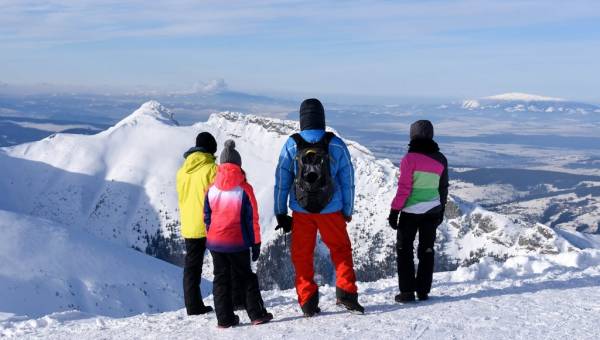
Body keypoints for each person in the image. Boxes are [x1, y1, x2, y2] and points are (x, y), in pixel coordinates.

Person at [274, 98, 364, 316]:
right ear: (322, 119)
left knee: (302, 255)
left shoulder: (291, 144)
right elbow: (347, 180)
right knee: (341, 250)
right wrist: (348, 210)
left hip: (301, 211)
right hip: (331, 210)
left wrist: (280, 212)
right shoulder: (335, 144)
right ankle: (346, 294)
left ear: (302, 119)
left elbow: (281, 180)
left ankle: (307, 301)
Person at [205, 140, 273, 328]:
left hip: (215, 243)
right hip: (237, 241)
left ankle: (224, 319)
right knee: (246, 277)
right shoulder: (244, 189)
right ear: (238, 165)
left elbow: (207, 217)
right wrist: (256, 242)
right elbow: (252, 219)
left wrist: (211, 234)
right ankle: (257, 314)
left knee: (221, 279)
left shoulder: (211, 189)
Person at [388, 120, 449, 303]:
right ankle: (423, 291)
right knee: (427, 250)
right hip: (432, 211)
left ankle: (407, 292)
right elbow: (443, 188)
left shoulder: (409, 159)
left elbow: (404, 188)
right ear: (431, 135)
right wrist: (441, 209)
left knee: (404, 249)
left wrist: (394, 211)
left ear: (412, 136)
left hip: (410, 211)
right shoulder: (441, 159)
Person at [176, 132, 218, 315]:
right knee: (223, 265)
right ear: (210, 149)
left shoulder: (182, 171)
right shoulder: (212, 169)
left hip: (189, 225)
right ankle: (228, 301)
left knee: (192, 268)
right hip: (211, 224)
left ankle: (193, 307)